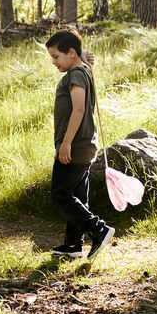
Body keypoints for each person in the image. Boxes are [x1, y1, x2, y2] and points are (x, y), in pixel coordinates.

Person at [45, 29, 114, 259]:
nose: (54, 62)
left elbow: (80, 109)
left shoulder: (75, 76)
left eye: (56, 57)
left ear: (71, 53)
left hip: (74, 147)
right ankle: (73, 244)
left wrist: (66, 144)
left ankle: (99, 229)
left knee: (60, 194)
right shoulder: (81, 70)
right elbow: (75, 53)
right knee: (77, 195)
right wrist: (82, 55)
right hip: (84, 146)